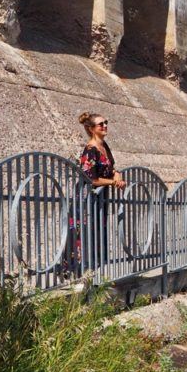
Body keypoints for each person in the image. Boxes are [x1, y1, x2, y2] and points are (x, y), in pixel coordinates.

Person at [73, 112, 126, 274]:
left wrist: (117, 174)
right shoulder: (90, 149)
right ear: (91, 129)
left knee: (98, 231)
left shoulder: (104, 146)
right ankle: (80, 271)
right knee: (84, 234)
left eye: (106, 122)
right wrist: (113, 182)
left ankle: (96, 269)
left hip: (100, 197)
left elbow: (111, 169)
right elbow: (91, 179)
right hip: (87, 198)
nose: (105, 126)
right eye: (100, 124)